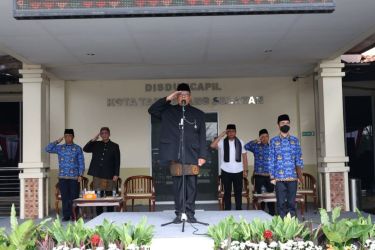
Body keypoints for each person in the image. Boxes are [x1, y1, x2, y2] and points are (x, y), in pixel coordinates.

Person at [148, 83, 207, 223]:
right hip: (174, 155)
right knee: (178, 186)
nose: (183, 97)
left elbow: (203, 136)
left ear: (190, 97)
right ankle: (180, 213)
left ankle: (190, 213)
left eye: (186, 94)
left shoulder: (198, 114)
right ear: (176, 97)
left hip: (192, 154)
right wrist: (169, 98)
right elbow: (152, 110)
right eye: (180, 95)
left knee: (191, 186)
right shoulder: (168, 111)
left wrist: (203, 155)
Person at [45, 129, 85, 221]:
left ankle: (74, 215)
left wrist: (80, 175)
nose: (68, 138)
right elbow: (47, 149)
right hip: (62, 176)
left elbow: (81, 162)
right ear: (64, 137)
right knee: (65, 197)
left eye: (69, 136)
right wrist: (57, 141)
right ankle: (66, 215)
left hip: (74, 177)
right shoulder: (60, 148)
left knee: (74, 197)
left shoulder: (77, 148)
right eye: (66, 136)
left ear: (73, 137)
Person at [269, 114, 304, 218]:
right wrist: (272, 177)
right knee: (280, 204)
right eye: (283, 123)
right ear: (278, 125)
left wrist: (299, 176)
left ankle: (292, 226)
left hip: (293, 177)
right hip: (279, 178)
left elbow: (299, 158)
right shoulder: (273, 141)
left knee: (291, 203)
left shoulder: (295, 140)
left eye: (287, 123)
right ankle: (281, 226)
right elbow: (271, 159)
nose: (285, 125)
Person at [83, 127, 120, 215]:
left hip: (110, 174)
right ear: (100, 135)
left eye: (106, 133)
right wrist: (93, 139)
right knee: (98, 195)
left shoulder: (115, 146)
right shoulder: (96, 144)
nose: (104, 135)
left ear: (109, 134)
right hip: (97, 174)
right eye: (102, 133)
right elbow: (85, 149)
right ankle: (99, 214)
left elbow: (117, 161)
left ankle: (110, 213)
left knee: (109, 195)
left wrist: (116, 174)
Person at [210, 124, 248, 210]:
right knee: (227, 192)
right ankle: (227, 210)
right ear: (227, 132)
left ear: (235, 132)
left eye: (233, 131)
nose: (231, 133)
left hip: (238, 171)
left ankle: (239, 210)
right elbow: (212, 145)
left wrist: (245, 170)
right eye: (229, 131)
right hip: (226, 171)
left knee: (238, 192)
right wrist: (221, 135)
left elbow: (244, 156)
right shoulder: (222, 142)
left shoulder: (240, 142)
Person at [244, 129, 275, 215]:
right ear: (260, 138)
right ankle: (260, 213)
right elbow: (245, 146)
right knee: (259, 195)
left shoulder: (272, 147)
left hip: (270, 176)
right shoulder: (256, 147)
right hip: (258, 176)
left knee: (270, 195)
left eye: (266, 136)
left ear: (268, 137)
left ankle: (272, 213)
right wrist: (255, 141)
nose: (264, 138)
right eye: (262, 137)